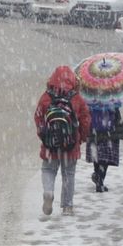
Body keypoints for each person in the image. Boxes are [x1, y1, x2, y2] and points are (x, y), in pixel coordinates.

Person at [34, 66, 90, 216]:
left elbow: (38, 117)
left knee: (48, 169)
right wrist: (82, 138)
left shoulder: (46, 97)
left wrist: (44, 135)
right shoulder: (76, 97)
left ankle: (48, 192)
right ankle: (67, 206)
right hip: (70, 145)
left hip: (50, 144)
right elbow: (85, 120)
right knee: (68, 174)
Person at [85, 102, 123, 192]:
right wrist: (122, 132)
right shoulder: (111, 99)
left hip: (94, 131)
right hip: (109, 133)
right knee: (105, 159)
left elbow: (87, 116)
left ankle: (98, 177)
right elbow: (117, 117)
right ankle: (99, 180)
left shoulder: (91, 99)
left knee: (96, 156)